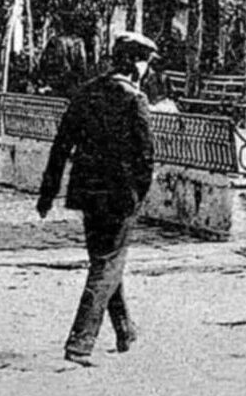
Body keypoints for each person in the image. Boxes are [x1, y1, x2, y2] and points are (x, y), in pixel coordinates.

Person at [36, 31, 157, 367]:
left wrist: (48, 192)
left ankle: (125, 330)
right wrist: (138, 194)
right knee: (107, 264)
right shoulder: (134, 99)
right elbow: (146, 157)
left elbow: (62, 144)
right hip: (121, 196)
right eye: (146, 63)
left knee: (105, 260)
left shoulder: (86, 93)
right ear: (136, 64)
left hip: (88, 193)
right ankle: (80, 342)